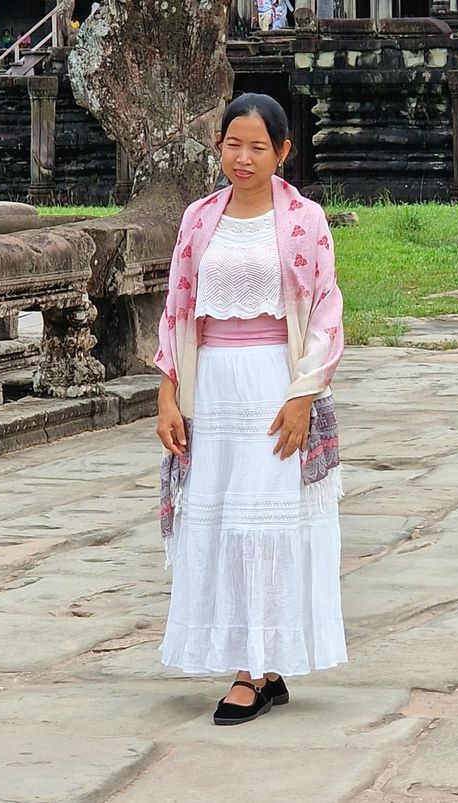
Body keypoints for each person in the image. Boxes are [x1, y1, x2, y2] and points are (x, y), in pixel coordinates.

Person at [155, 93, 347, 726]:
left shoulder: (304, 221)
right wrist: (168, 396)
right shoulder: (198, 219)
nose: (243, 157)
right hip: (211, 390)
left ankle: (251, 670)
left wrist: (303, 396)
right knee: (220, 521)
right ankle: (258, 662)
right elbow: (177, 309)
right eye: (232, 144)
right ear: (218, 147)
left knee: (261, 524)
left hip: (275, 386)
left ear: (282, 152)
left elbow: (325, 311)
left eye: (258, 147)